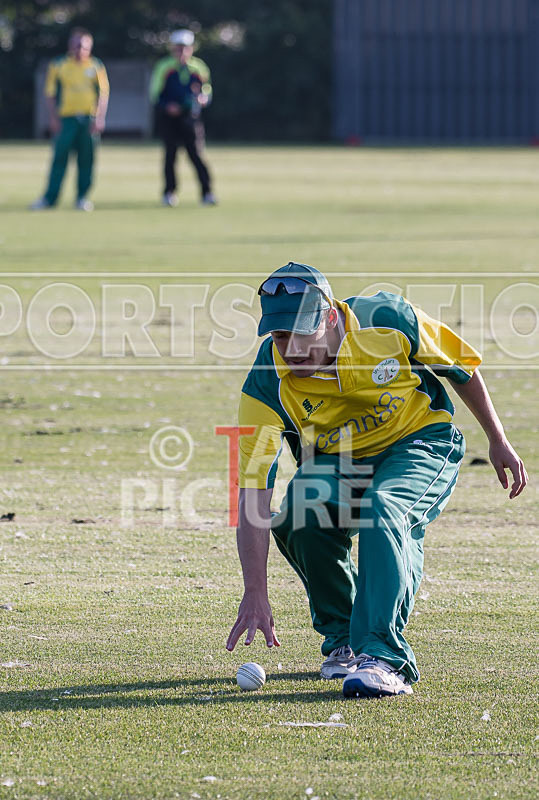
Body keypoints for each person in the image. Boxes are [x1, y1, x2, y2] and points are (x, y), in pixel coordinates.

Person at [226, 262, 527, 698]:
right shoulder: (266, 384)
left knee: (384, 509)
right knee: (297, 516)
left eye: (300, 334)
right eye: (278, 337)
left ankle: (385, 658)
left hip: (421, 443)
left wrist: (497, 439)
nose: (290, 349)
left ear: (330, 316)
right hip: (342, 459)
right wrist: (254, 590)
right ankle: (346, 640)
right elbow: (253, 493)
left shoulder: (386, 319)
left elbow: (461, 366)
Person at [30, 28, 109, 211]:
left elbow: (103, 94)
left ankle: (82, 197)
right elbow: (49, 93)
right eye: (76, 44)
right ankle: (50, 198)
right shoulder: (59, 65)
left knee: (86, 160)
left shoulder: (95, 66)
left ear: (90, 47)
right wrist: (53, 118)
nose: (79, 48)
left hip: (88, 119)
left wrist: (99, 118)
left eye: (83, 45)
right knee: (59, 159)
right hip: (66, 119)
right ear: (70, 45)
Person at [149, 29, 216, 207]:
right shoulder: (164, 67)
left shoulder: (199, 67)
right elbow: (155, 95)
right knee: (170, 155)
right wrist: (168, 106)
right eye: (178, 48)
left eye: (185, 48)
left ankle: (207, 192)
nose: (182, 52)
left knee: (196, 154)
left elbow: (206, 90)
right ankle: (169, 193)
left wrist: (203, 99)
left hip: (190, 117)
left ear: (191, 48)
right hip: (169, 118)